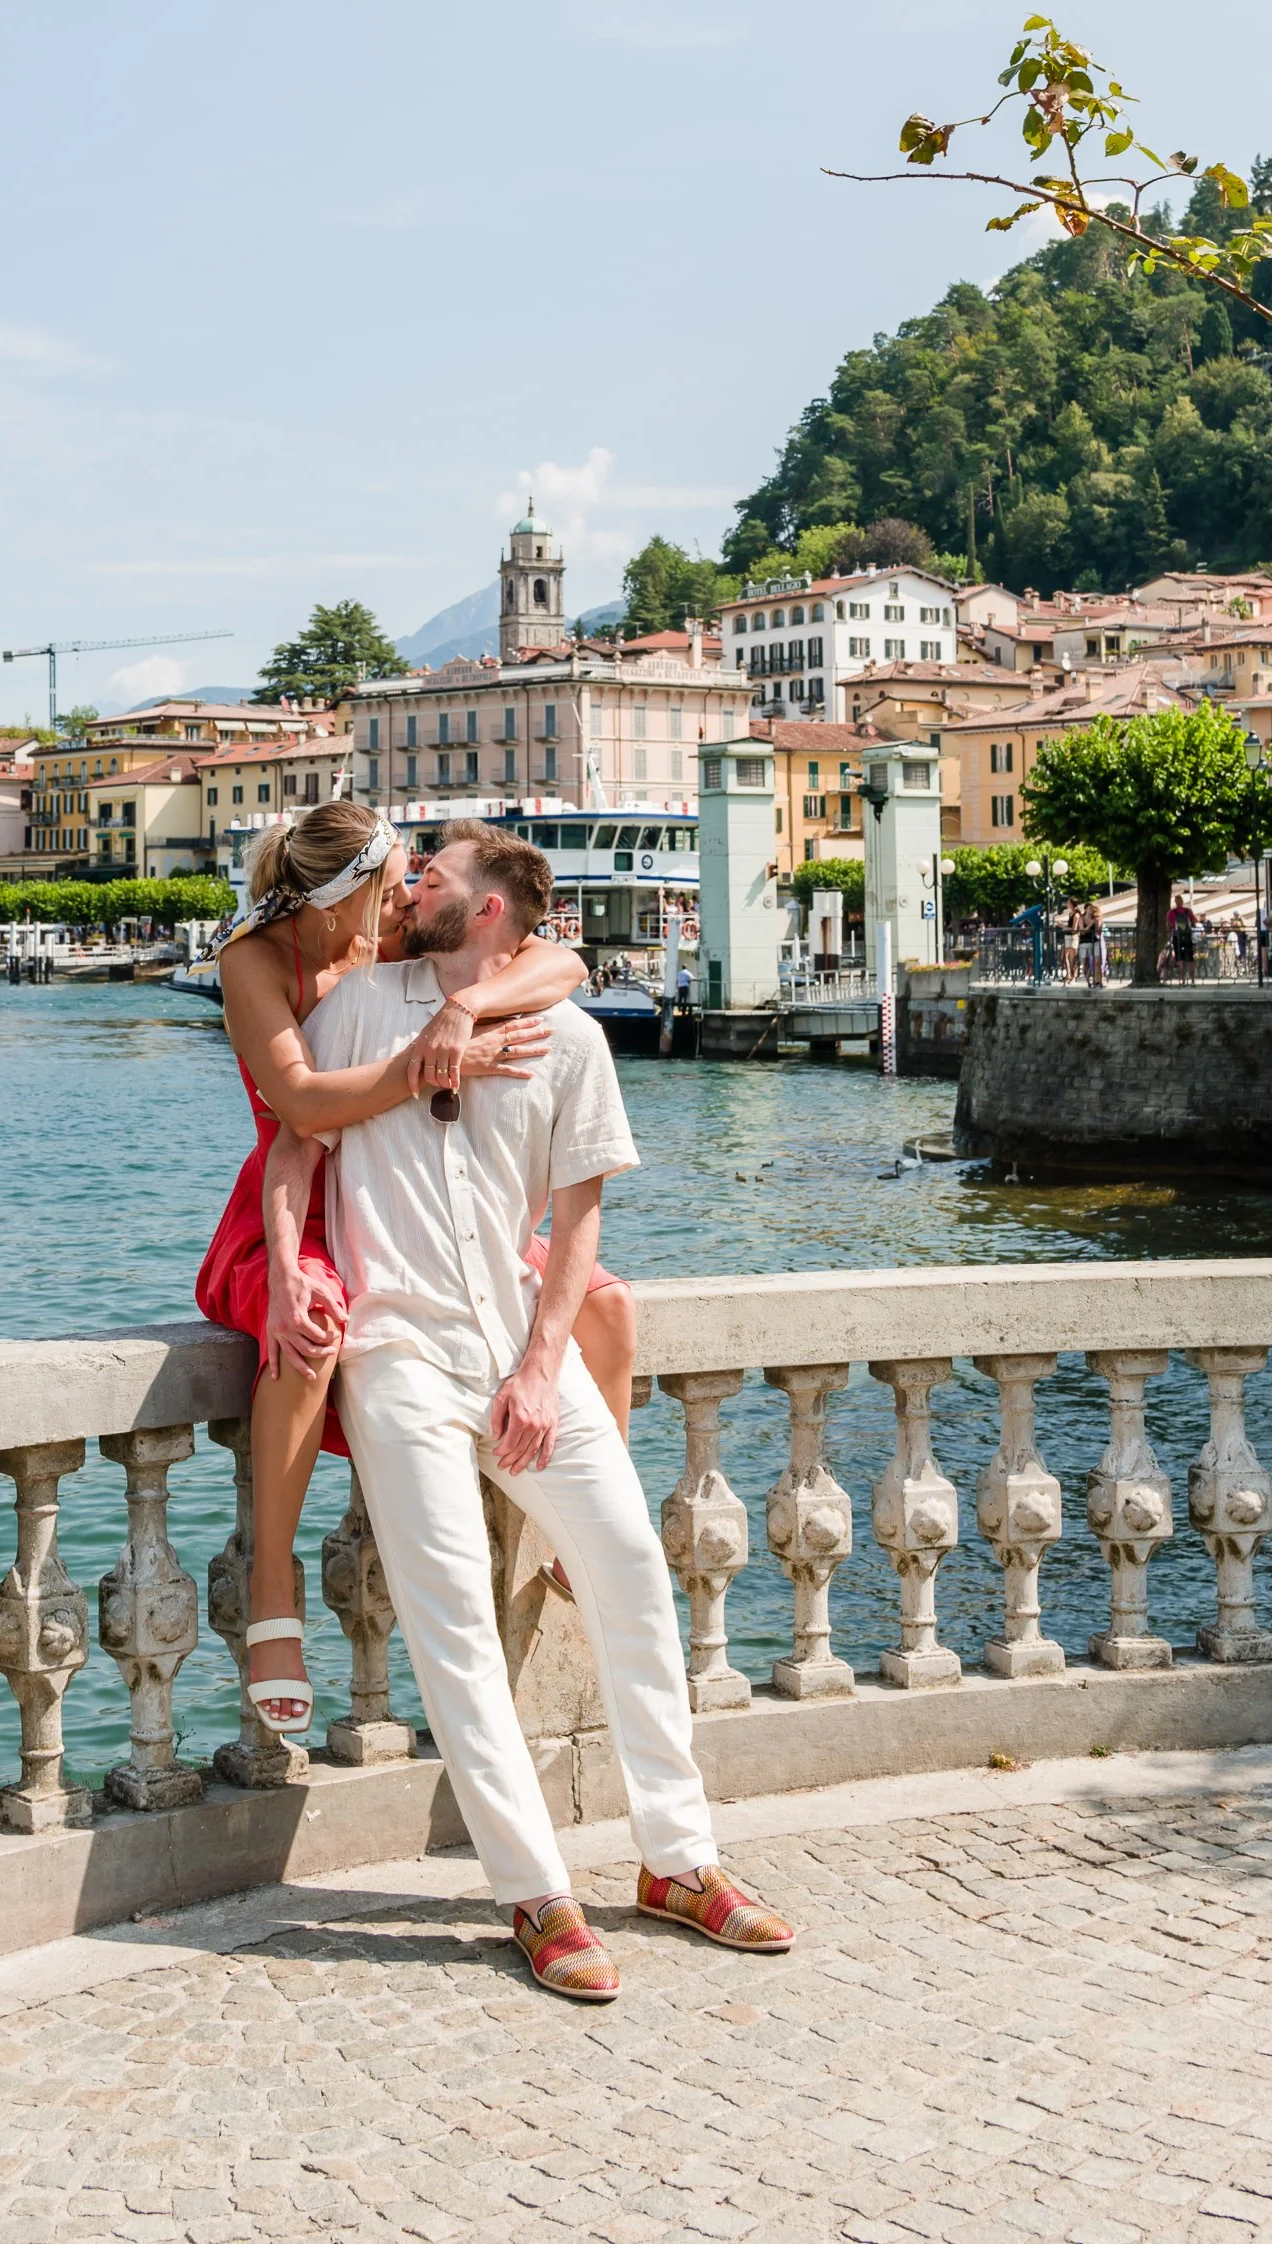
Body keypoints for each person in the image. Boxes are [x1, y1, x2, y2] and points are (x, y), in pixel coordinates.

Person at [276, 821, 792, 2003]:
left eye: (433, 878)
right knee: (449, 1613)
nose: (410, 888)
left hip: (521, 1347)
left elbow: (579, 1218)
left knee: (630, 1570)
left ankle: (680, 1860)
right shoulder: (355, 1010)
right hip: (396, 1349)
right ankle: (534, 1891)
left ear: (489, 908)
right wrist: (293, 1262)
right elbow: (300, 1141)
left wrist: (542, 1364)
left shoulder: (569, 1036)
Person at [195, 802, 634, 1737]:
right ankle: (273, 1588)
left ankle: (586, 1527)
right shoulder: (254, 962)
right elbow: (301, 1106)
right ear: (347, 893)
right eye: (399, 880)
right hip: (298, 1200)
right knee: (311, 1331)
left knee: (607, 1308)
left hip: (405, 1195)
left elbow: (560, 962)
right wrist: (441, 1061)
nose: (410, 896)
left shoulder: (389, 935)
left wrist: (466, 1008)